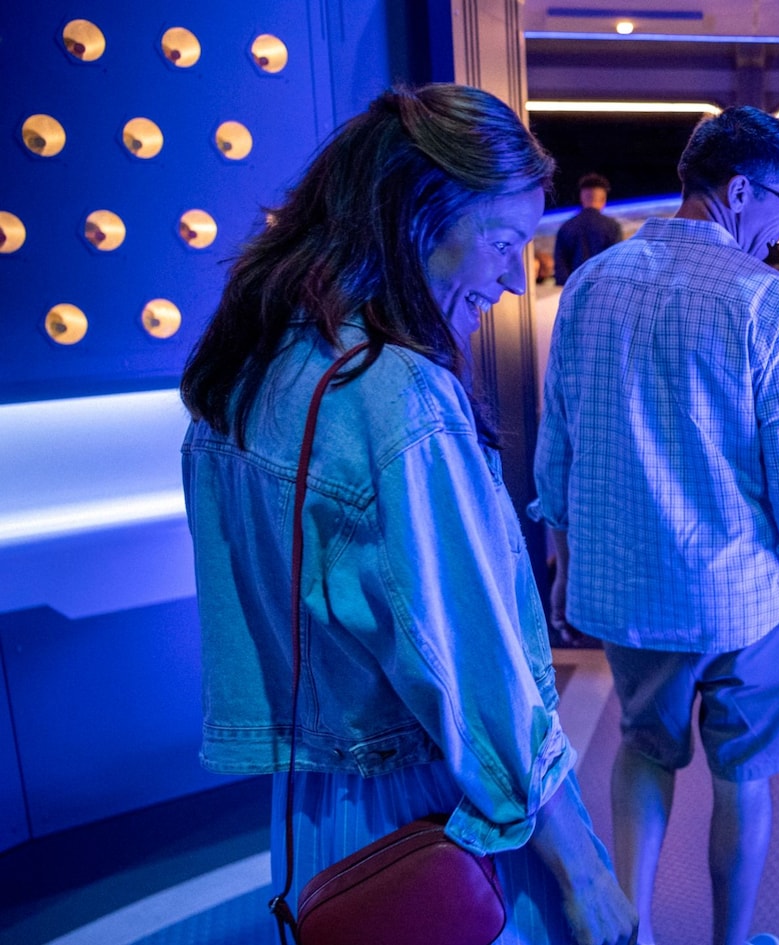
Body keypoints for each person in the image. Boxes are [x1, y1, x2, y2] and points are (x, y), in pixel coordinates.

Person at [178, 85, 635, 944]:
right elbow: (475, 670)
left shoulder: (249, 363)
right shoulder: (398, 400)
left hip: (315, 805)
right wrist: (579, 870)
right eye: (501, 243)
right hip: (440, 807)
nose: (510, 278)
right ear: (417, 219)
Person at [530, 105, 779, 945]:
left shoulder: (591, 283)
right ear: (740, 190)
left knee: (643, 750)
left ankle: (626, 936)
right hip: (745, 593)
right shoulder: (766, 301)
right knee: (743, 776)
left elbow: (556, 432)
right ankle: (732, 942)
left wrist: (561, 550)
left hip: (631, 588)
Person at [553, 172, 623, 285]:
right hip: (602, 291)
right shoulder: (613, 227)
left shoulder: (566, 227)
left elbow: (560, 268)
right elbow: (616, 264)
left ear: (582, 197)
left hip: (573, 292)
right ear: (603, 199)